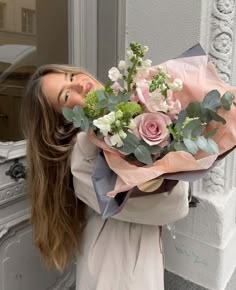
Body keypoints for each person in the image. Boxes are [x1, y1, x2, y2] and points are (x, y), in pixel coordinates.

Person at [21, 64, 190, 290]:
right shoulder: (85, 149)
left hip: (130, 254)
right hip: (117, 266)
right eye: (66, 94)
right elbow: (169, 207)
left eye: (71, 76)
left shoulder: (119, 126)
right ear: (63, 120)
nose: (78, 84)